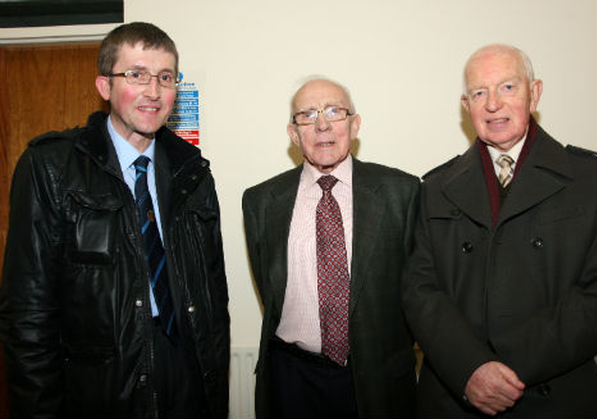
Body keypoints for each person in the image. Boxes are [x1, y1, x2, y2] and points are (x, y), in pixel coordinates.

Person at [0, 22, 229, 418]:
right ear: (105, 86)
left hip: (185, 372)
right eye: (136, 75)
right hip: (102, 385)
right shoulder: (51, 167)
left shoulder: (193, 173)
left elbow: (214, 295)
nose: (153, 91)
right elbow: (28, 315)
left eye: (165, 77)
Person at [402, 43, 597, 417]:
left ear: (535, 93)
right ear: (467, 107)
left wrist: (506, 365)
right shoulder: (434, 188)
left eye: (508, 87)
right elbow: (419, 291)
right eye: (480, 93)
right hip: (457, 395)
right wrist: (471, 368)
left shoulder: (594, 180)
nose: (493, 103)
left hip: (562, 393)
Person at [242, 77, 420, 418]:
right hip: (292, 379)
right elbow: (271, 289)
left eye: (334, 112)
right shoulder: (262, 201)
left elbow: (417, 289)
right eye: (307, 115)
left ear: (355, 125)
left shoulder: (403, 192)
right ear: (294, 134)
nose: (322, 124)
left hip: (377, 378)